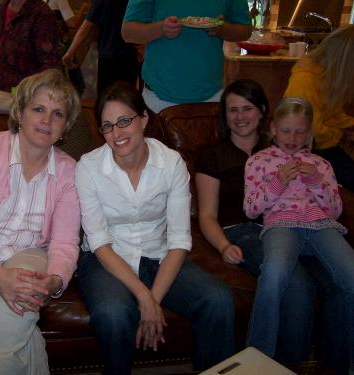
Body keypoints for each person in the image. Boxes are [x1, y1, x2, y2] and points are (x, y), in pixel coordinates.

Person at [75, 81, 235, 374]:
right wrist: (143, 296)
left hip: (159, 255)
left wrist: (154, 299)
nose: (117, 133)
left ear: (144, 119)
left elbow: (178, 240)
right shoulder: (88, 167)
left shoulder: (172, 163)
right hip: (106, 260)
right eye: (107, 126)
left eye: (124, 121)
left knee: (218, 299)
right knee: (113, 314)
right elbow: (98, 242)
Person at [196, 80, 348, 368]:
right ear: (224, 115)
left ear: (263, 112)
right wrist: (224, 245)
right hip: (242, 231)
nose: (240, 117)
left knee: (337, 284)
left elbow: (326, 199)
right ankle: (280, 366)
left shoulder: (287, 145)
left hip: (296, 226)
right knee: (296, 282)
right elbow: (206, 216)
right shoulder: (214, 155)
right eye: (232, 110)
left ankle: (334, 363)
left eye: (247, 108)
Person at [0, 69, 81, 374]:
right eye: (38, 109)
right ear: (19, 112)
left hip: (30, 258)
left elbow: (64, 243)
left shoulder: (70, 172)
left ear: (66, 126)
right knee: (16, 327)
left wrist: (55, 280)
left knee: (13, 310)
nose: (46, 120)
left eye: (57, 113)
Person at [243, 96, 354, 372]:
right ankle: (257, 357)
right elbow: (251, 209)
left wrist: (315, 180)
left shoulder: (321, 164)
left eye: (300, 131)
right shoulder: (259, 161)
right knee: (274, 273)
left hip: (320, 225)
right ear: (273, 129)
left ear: (310, 133)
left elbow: (335, 210)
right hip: (281, 224)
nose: (293, 138)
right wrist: (278, 181)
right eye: (286, 131)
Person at [121, 0, 252, 113]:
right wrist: (161, 29)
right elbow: (128, 33)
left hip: (211, 95)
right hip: (158, 97)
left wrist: (222, 29)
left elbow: (245, 30)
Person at [284, 25, 354, 191]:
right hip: (305, 153)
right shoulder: (305, 80)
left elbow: (332, 113)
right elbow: (311, 132)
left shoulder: (326, 75)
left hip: (323, 148)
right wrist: (341, 133)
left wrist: (349, 124)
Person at [62, 0, 139, 94]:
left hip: (107, 55)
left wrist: (70, 52)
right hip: (129, 56)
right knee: (127, 96)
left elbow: (84, 29)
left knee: (105, 95)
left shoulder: (100, 1)